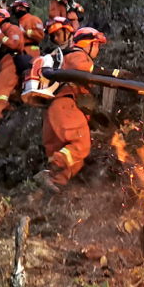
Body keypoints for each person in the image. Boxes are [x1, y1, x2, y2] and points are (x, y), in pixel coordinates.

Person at [40, 27, 107, 190]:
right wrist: (113, 73)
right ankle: (51, 172)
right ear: (89, 44)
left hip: (56, 111)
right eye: (97, 45)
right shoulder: (77, 54)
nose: (98, 50)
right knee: (81, 144)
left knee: (73, 160)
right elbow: (82, 68)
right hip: (65, 105)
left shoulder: (64, 57)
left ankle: (50, 187)